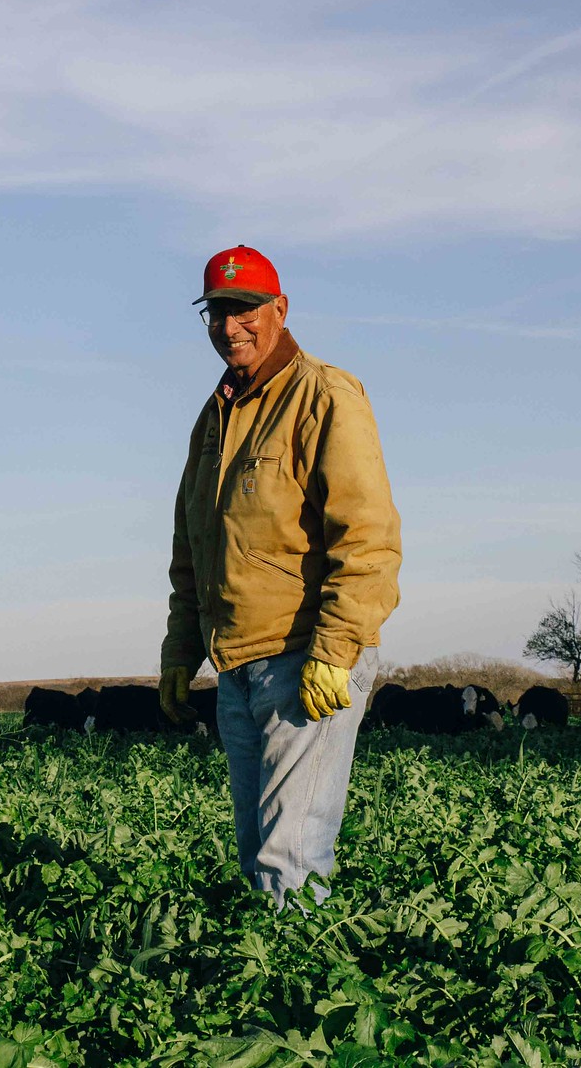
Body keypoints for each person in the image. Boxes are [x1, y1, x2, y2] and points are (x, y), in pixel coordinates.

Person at [160, 245, 401, 906]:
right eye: (218, 312)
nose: (230, 326)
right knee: (256, 851)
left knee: (288, 858)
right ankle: (264, 987)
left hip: (306, 659)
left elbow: (369, 537)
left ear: (279, 309)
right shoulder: (214, 417)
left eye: (245, 309)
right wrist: (182, 649)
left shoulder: (325, 395)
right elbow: (193, 547)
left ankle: (294, 998)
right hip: (237, 663)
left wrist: (336, 647)